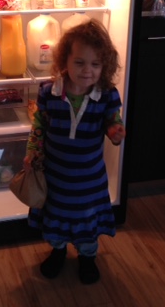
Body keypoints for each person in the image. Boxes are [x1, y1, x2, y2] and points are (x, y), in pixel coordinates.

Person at [24, 18, 126, 284]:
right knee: (56, 216)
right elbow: (39, 124)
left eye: (95, 64)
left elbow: (112, 121)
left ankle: (87, 257)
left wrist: (115, 131)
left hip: (89, 180)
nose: (87, 71)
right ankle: (58, 251)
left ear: (104, 66)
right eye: (79, 62)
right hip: (56, 176)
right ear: (64, 61)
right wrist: (32, 150)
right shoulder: (49, 92)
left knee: (86, 221)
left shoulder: (107, 95)